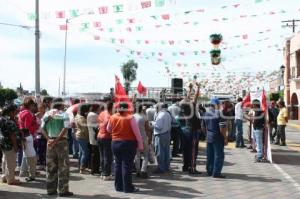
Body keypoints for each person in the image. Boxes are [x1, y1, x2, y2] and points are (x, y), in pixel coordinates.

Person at [107, 102, 143, 193]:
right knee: (127, 165)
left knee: (118, 164)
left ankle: (118, 187)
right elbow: (137, 133)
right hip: (128, 143)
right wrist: (140, 145)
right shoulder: (130, 118)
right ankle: (128, 187)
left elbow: (108, 129)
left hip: (115, 143)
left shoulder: (112, 117)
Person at [42, 98, 73, 197]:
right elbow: (65, 128)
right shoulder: (64, 114)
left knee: (51, 167)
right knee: (63, 167)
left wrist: (49, 140)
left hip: (50, 142)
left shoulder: (47, 114)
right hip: (61, 142)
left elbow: (41, 128)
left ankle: (50, 189)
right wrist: (56, 140)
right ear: (61, 104)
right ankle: (63, 190)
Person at [178, 83, 202, 174]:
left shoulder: (183, 106)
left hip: (186, 129)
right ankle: (192, 168)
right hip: (193, 130)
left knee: (186, 149)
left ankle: (185, 166)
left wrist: (190, 88)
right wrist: (198, 88)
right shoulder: (190, 106)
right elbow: (195, 97)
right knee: (193, 150)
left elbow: (188, 97)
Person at [204, 98, 228, 178]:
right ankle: (216, 172)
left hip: (209, 135)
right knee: (218, 155)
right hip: (217, 136)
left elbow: (202, 126)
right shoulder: (219, 113)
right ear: (216, 105)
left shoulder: (206, 113)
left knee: (210, 154)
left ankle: (209, 171)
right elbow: (222, 128)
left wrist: (206, 134)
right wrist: (225, 138)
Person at [0, 104, 21, 185]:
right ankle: (11, 179)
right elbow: (12, 135)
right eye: (15, 110)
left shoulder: (2, 119)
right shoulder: (9, 121)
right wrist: (15, 146)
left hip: (4, 143)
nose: (17, 112)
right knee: (11, 162)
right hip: (10, 144)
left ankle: (5, 177)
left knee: (5, 160)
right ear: (11, 112)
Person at [18, 97, 39, 177]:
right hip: (28, 135)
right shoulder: (27, 113)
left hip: (23, 135)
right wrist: (35, 124)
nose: (34, 106)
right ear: (30, 105)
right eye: (33, 105)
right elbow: (28, 127)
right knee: (31, 156)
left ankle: (23, 172)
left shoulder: (21, 112)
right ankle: (32, 172)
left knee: (25, 155)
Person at [152, 103, 172, 173]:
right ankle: (166, 167)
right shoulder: (168, 114)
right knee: (166, 152)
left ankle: (161, 168)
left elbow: (159, 126)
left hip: (160, 134)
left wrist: (152, 123)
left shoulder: (160, 115)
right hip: (167, 133)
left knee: (160, 152)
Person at [97, 100, 114, 180]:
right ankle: (106, 174)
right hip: (107, 137)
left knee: (102, 156)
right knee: (108, 156)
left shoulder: (102, 113)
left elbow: (98, 123)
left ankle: (103, 172)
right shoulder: (109, 116)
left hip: (99, 136)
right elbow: (109, 129)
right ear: (111, 107)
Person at [134, 104, 151, 178]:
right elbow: (147, 129)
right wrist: (150, 138)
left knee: (137, 155)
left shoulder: (132, 117)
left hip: (135, 138)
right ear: (141, 109)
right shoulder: (144, 117)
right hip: (144, 138)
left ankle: (137, 171)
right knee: (145, 155)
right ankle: (143, 170)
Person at [75, 104, 91, 174]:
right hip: (82, 136)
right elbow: (85, 129)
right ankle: (82, 168)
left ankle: (81, 167)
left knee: (81, 152)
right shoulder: (81, 118)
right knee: (85, 153)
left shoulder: (77, 116)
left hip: (79, 135)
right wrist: (88, 138)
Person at [87, 104, 101, 175]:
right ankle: (95, 169)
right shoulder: (94, 115)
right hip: (95, 136)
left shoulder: (90, 114)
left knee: (93, 153)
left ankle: (93, 168)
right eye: (99, 108)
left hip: (92, 136)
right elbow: (99, 124)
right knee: (95, 154)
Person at [35, 103, 47, 170]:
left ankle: (45, 163)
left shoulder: (46, 115)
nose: (40, 109)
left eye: (42, 108)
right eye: (39, 108)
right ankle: (40, 163)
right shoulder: (35, 115)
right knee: (39, 149)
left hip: (45, 134)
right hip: (38, 134)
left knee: (45, 149)